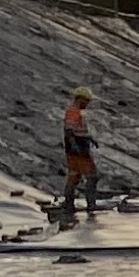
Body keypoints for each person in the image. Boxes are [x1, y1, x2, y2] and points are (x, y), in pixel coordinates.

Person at [54, 87, 99, 226]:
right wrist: (75, 145)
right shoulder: (73, 112)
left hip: (76, 148)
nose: (87, 104)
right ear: (80, 99)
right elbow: (69, 130)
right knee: (92, 176)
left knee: (74, 176)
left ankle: (69, 205)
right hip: (79, 150)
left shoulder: (75, 112)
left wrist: (89, 138)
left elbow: (76, 130)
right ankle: (90, 206)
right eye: (86, 101)